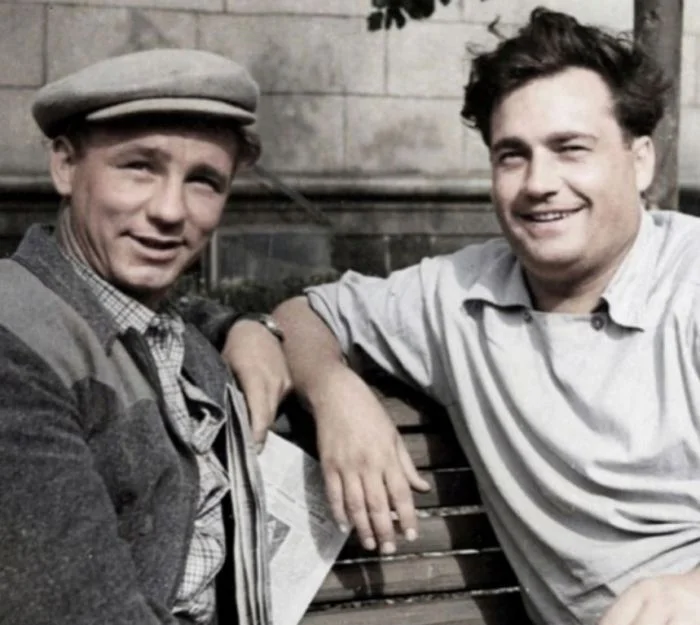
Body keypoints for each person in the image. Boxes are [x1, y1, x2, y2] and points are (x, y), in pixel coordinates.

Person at [271, 8, 700, 625]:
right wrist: (330, 387)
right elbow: (305, 314)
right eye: (512, 156)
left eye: (571, 149)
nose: (539, 183)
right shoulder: (459, 294)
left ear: (640, 162)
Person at [0, 49, 290, 625]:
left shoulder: (158, 324)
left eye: (204, 181)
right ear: (65, 165)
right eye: (139, 167)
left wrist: (250, 327)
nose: (170, 210)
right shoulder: (17, 347)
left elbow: (161, 318)